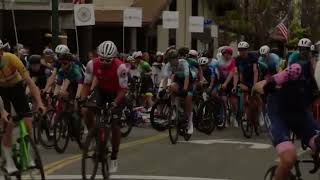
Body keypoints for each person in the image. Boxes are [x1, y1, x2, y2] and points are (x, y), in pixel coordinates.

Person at [254, 38, 320, 180]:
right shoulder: (296, 69)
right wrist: (262, 88)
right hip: (278, 112)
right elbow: (263, 84)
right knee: (289, 158)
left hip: (300, 114)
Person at [0, 39, 45, 174]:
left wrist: (40, 103)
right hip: (1, 92)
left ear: (2, 52)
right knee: (7, 124)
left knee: (27, 122)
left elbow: (30, 83)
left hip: (17, 87)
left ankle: (28, 154)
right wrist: (3, 112)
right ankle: (9, 161)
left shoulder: (12, 59)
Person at [84, 41, 129, 173]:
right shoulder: (92, 64)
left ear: (114, 58)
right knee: (87, 110)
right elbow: (86, 84)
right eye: (102, 59)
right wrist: (82, 99)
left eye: (107, 60)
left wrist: (115, 103)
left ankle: (114, 157)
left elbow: (123, 90)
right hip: (101, 91)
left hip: (116, 94)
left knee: (115, 125)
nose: (104, 62)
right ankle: (93, 136)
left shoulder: (121, 68)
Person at [162, 49, 195, 134]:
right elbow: (165, 79)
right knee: (171, 87)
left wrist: (184, 89)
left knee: (188, 98)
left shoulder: (184, 63)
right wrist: (164, 89)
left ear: (177, 58)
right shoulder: (168, 65)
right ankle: (174, 110)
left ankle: (190, 123)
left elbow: (187, 78)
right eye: (170, 59)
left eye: (174, 59)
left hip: (189, 81)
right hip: (179, 80)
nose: (172, 61)